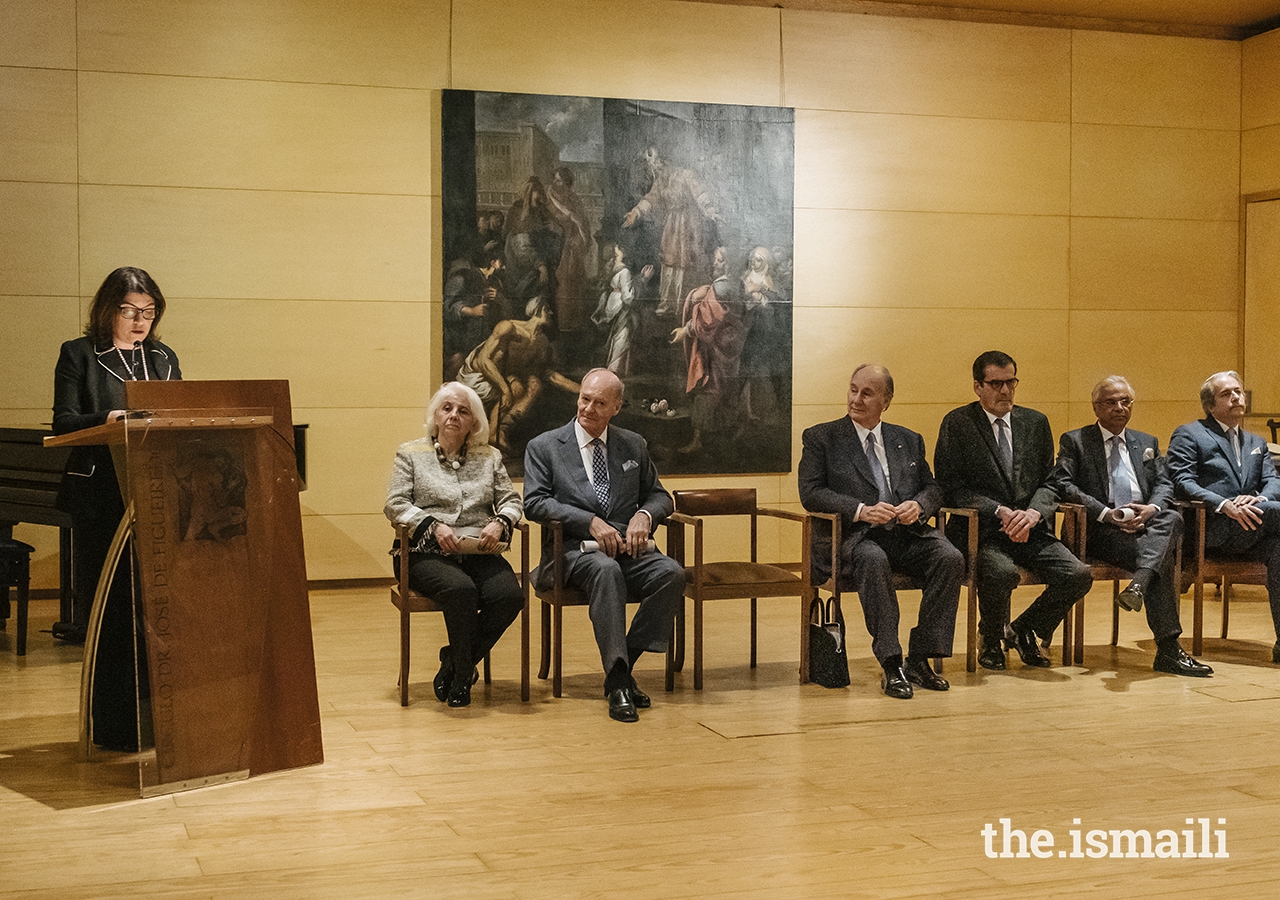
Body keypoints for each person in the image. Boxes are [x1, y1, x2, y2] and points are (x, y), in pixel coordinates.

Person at [52, 266, 181, 751]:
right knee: (110, 614)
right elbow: (63, 423)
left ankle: (157, 724)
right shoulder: (79, 355)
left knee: (155, 609)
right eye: (130, 310)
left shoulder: (164, 358)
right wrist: (108, 419)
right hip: (101, 498)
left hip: (154, 496)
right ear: (108, 309)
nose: (140, 320)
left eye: (148, 312)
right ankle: (112, 728)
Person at [523, 368, 684, 722]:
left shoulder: (633, 445)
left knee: (671, 573)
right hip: (571, 553)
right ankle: (620, 682)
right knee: (605, 570)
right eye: (585, 399)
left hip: (626, 549)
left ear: (616, 407)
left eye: (600, 403)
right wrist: (589, 522)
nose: (589, 408)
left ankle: (620, 671)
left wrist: (644, 514)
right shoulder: (545, 446)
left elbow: (659, 495)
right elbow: (534, 503)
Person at [799, 365, 963, 698]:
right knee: (873, 559)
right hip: (853, 538)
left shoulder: (908, 439)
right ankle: (891, 663)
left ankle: (920, 657)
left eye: (867, 393)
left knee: (950, 557)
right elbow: (811, 492)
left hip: (906, 534)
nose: (856, 399)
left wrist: (918, 506)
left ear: (885, 401)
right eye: (853, 389)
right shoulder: (821, 437)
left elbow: (933, 488)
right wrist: (861, 510)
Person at [934, 350, 1091, 670]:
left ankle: (1024, 630)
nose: (1005, 391)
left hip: (1031, 526)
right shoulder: (958, 423)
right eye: (996, 384)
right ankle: (991, 636)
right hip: (983, 529)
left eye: (1011, 382)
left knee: (1078, 574)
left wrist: (1034, 513)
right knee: (1001, 573)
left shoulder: (1034, 422)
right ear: (978, 386)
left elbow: (1050, 481)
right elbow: (951, 486)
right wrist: (999, 511)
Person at [1049, 376, 1211, 676]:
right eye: (1111, 402)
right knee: (1160, 559)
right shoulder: (1076, 440)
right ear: (1096, 407)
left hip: (1147, 526)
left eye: (1125, 402)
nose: (1119, 408)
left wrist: (1151, 509)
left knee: (1171, 516)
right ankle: (1168, 650)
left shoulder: (1146, 442)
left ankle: (1138, 586)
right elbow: (1063, 483)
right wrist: (1107, 514)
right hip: (1102, 532)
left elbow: (1164, 483)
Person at [385, 382, 525, 707]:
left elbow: (512, 502)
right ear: (435, 415)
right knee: (461, 590)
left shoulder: (489, 457)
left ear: (474, 422)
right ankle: (463, 677)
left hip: (476, 550)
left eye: (464, 411)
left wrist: (500, 522)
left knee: (510, 596)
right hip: (422, 552)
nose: (454, 416)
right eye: (447, 408)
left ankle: (454, 659)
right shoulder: (411, 454)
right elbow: (396, 503)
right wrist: (432, 526)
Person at [1167, 370, 1280, 664]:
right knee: (1268, 513)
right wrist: (1225, 505)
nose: (1236, 397)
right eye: (1226, 394)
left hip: (1254, 525)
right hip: (1212, 529)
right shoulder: (1190, 433)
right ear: (1209, 405)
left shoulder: (1256, 440)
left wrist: (1260, 497)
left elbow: (1273, 481)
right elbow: (1182, 481)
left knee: (1279, 546)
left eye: (1238, 392)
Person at [456, 301, 580, 453]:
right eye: (548, 309)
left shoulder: (541, 343)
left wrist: (582, 390)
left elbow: (549, 375)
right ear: (538, 309)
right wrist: (505, 390)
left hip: (500, 379)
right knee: (515, 388)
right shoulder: (509, 327)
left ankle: (500, 429)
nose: (551, 313)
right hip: (477, 376)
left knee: (534, 385)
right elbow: (483, 360)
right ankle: (493, 433)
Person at [622, 146, 719, 316]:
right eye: (652, 164)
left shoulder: (686, 174)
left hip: (687, 224)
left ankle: (684, 303)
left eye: (657, 162)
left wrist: (710, 210)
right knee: (669, 260)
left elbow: (700, 193)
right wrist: (635, 212)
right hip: (671, 224)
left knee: (683, 260)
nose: (655, 166)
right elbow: (651, 199)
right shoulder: (661, 180)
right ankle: (668, 302)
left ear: (666, 159)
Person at [591, 243, 652, 375]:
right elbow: (628, 297)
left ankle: (614, 368)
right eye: (620, 248)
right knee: (622, 335)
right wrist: (644, 280)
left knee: (616, 334)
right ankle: (615, 369)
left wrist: (639, 278)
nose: (623, 249)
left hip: (612, 303)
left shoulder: (614, 267)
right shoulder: (625, 272)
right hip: (621, 307)